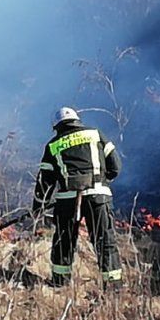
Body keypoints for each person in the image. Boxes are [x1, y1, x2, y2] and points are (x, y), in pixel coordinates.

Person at [32, 106, 123, 289]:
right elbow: (115, 166)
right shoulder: (95, 134)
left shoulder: (53, 145)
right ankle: (112, 285)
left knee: (63, 241)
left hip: (68, 201)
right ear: (76, 120)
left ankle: (60, 282)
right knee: (104, 240)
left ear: (56, 126)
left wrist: (39, 206)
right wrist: (104, 180)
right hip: (98, 196)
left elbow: (45, 181)